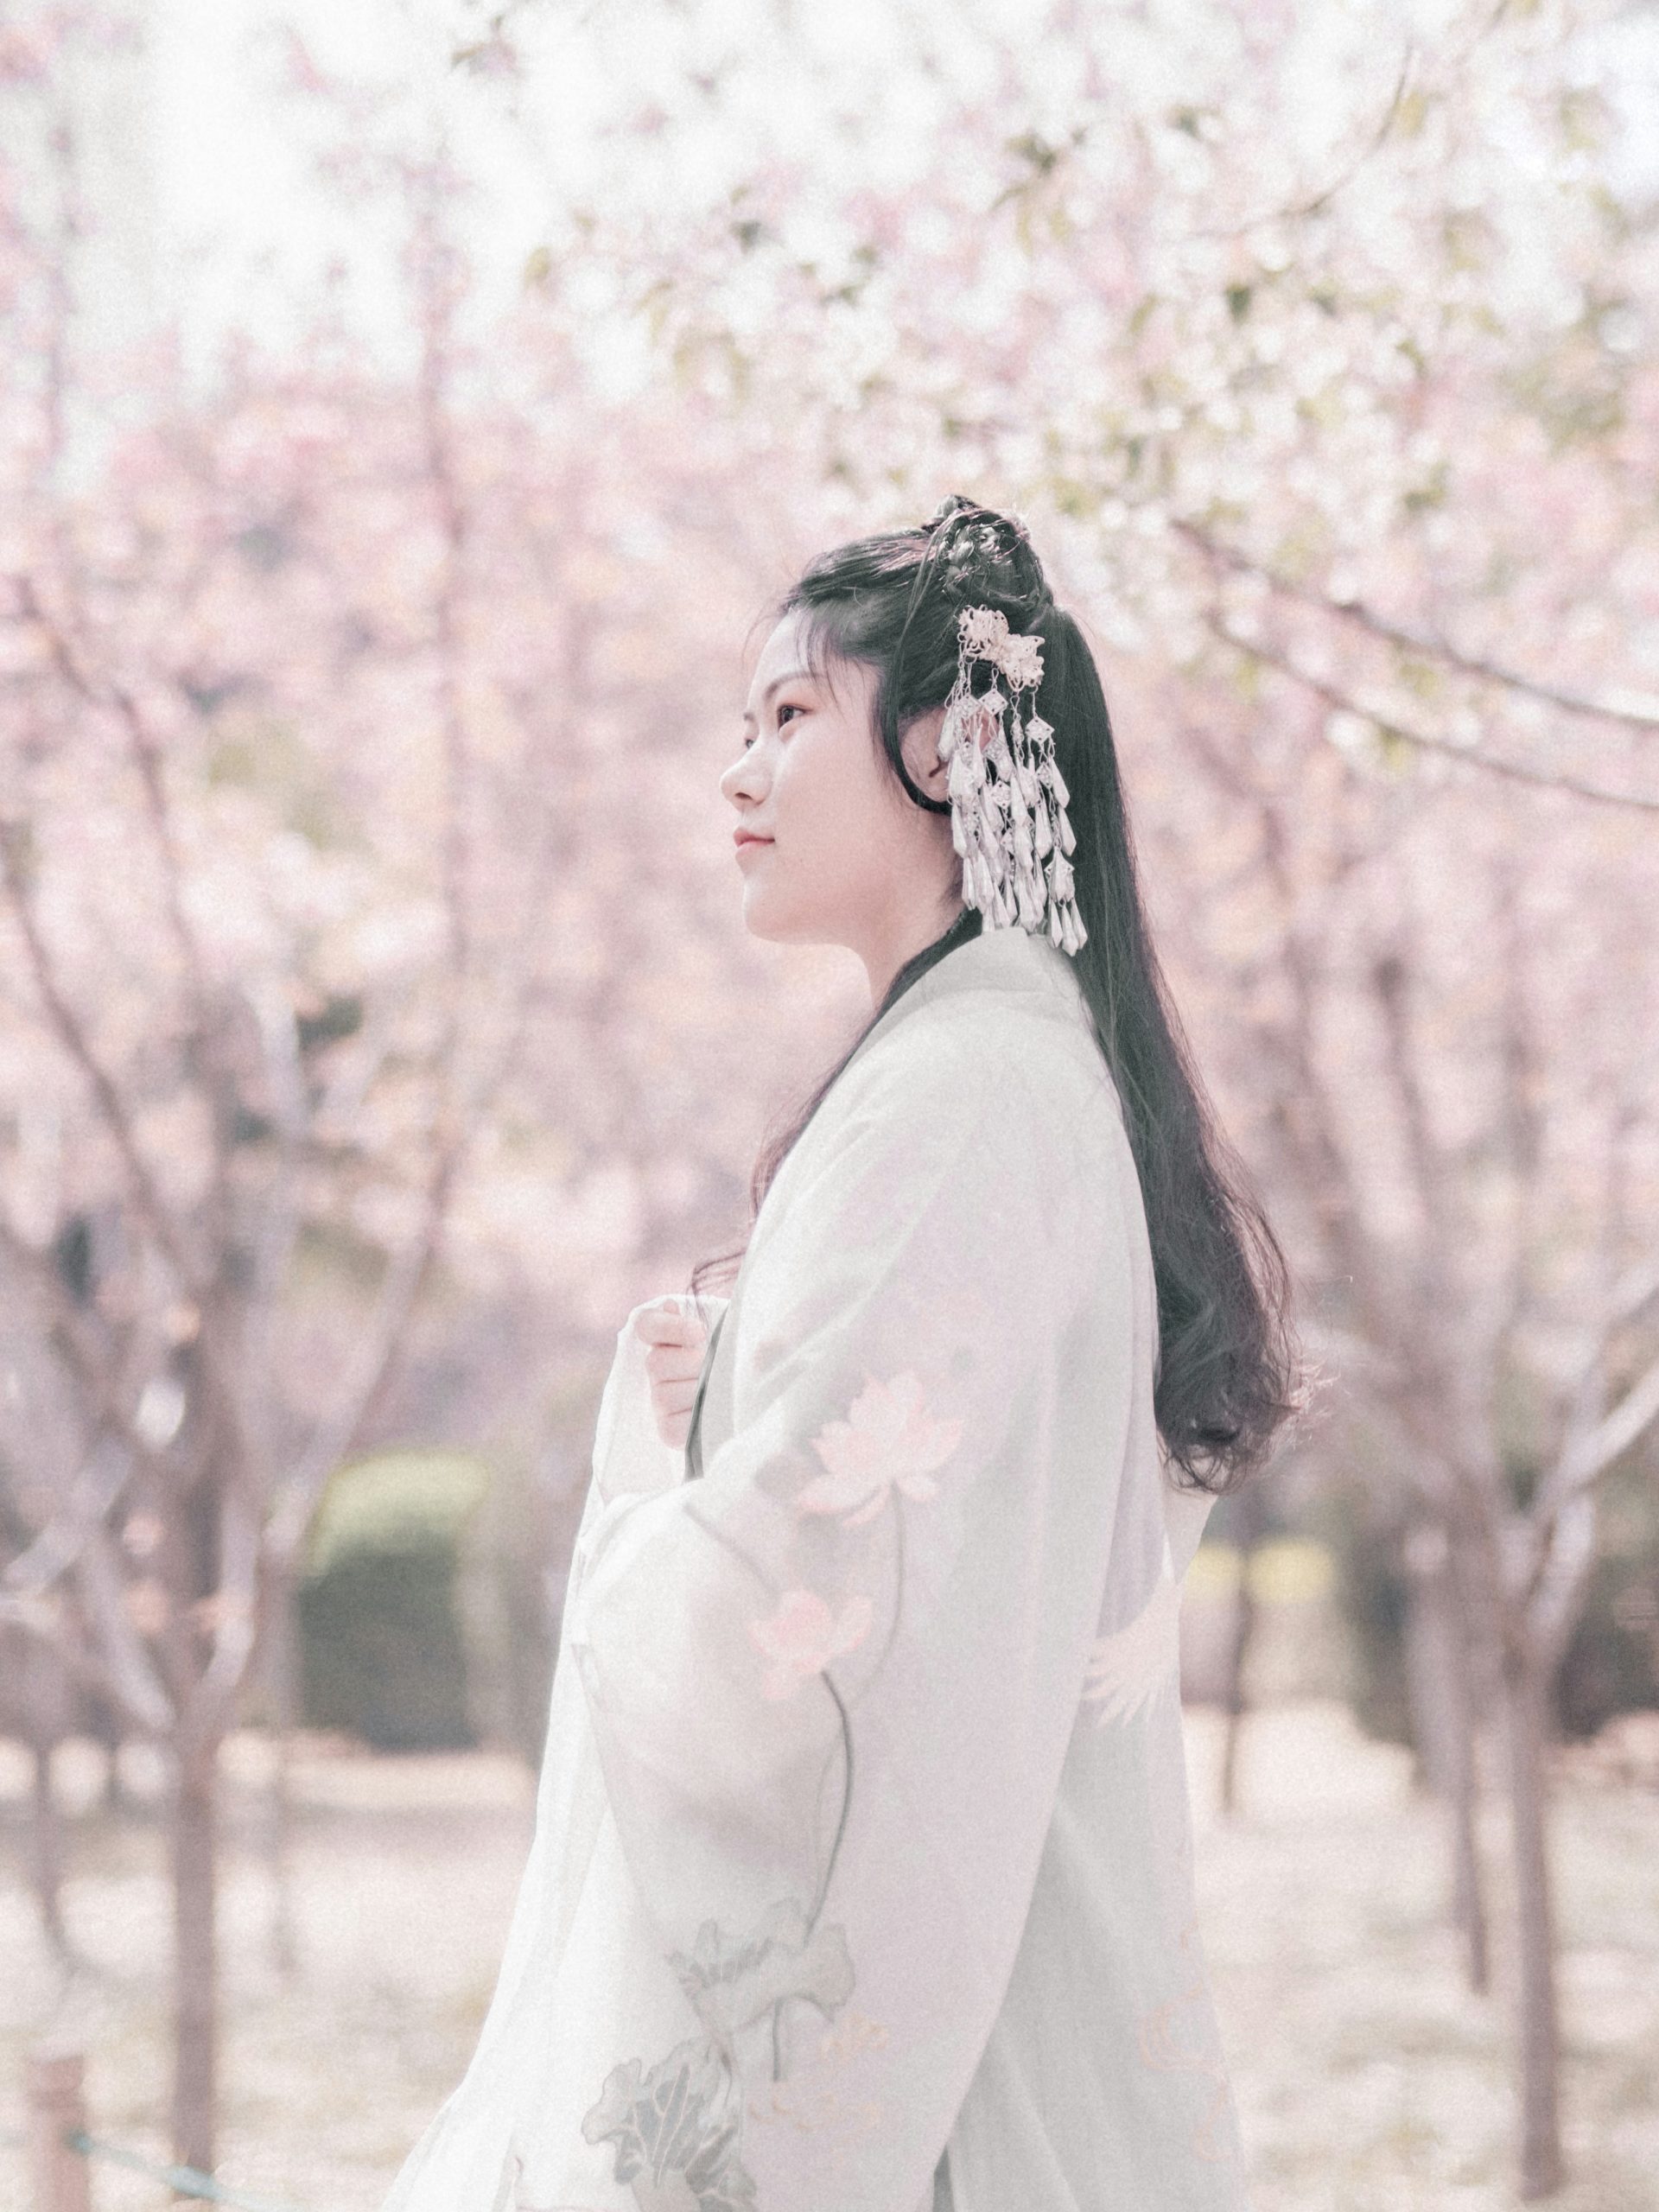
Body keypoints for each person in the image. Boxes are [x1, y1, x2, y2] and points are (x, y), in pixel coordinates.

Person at [379, 496, 1300, 2212]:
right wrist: (736, 1397)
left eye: (791, 718)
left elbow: (788, 1606)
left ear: (953, 743)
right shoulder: (990, 1064)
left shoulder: (962, 1094)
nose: (737, 775)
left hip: (941, 2075)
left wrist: (665, 1460)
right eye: (741, 727)